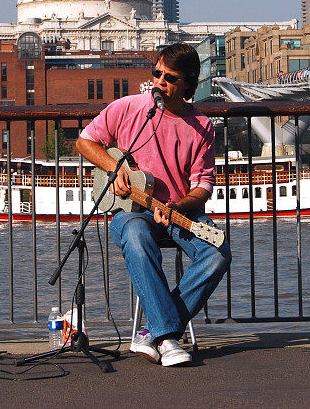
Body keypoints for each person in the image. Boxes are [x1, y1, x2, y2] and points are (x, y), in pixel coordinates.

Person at [76, 43, 231, 367]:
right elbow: (85, 141)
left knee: (217, 254)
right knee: (136, 237)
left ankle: (155, 331)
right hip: (130, 212)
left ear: (188, 83)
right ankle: (167, 336)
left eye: (170, 78)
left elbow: (203, 184)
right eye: (156, 73)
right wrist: (111, 167)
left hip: (180, 211)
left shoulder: (201, 126)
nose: (160, 82)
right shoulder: (128, 107)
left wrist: (179, 206)